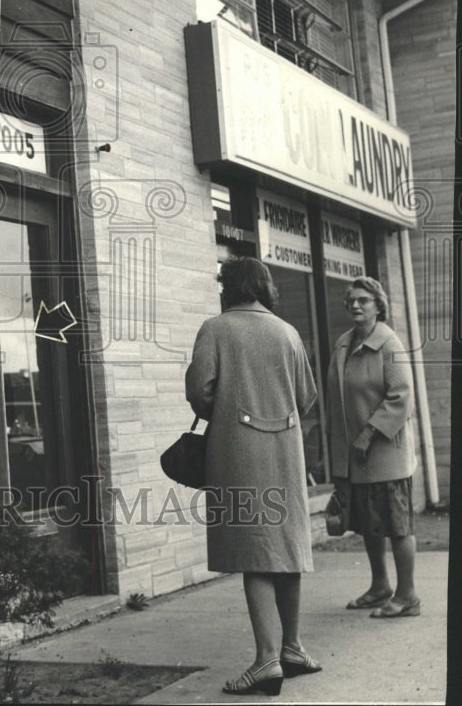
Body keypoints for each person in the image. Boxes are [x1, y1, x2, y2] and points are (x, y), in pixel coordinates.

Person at [185, 258, 321, 696]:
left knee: (252, 550)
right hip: (285, 452)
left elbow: (199, 390)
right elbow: (306, 397)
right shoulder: (288, 332)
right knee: (285, 546)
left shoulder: (216, 328)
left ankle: (266, 661)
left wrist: (226, 414)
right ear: (263, 287)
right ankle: (293, 648)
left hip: (237, 454)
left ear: (231, 287)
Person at [326, 277, 419, 618]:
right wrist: (333, 449)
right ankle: (380, 586)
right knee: (369, 524)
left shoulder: (389, 344)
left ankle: (408, 596)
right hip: (355, 458)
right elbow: (335, 404)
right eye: (351, 300)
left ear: (378, 305)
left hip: (385, 455)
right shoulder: (342, 344)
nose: (355, 305)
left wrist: (367, 436)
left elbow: (401, 398)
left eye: (363, 300)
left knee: (396, 525)